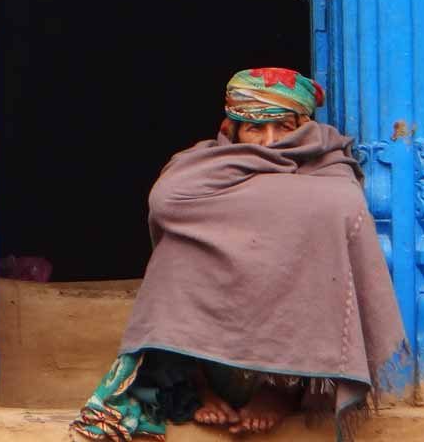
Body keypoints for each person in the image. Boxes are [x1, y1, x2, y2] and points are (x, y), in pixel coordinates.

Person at [68, 68, 405, 440]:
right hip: (218, 312)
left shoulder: (327, 164)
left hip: (292, 315)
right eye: (254, 129)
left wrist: (248, 198)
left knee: (323, 257)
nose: (270, 142)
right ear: (230, 130)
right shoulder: (200, 163)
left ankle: (277, 390)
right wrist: (278, 183)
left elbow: (342, 208)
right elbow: (168, 203)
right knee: (179, 255)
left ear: (306, 128)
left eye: (285, 128)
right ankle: (198, 385)